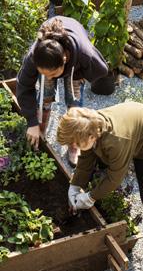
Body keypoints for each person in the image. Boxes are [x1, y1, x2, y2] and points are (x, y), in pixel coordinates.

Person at [57, 102, 143, 271]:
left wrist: (91, 197)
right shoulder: (90, 129)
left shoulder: (116, 141)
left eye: (76, 142)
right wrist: (75, 185)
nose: (74, 146)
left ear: (91, 136)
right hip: (132, 131)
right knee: (97, 161)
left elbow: (114, 178)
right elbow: (86, 160)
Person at [16, 16, 108, 165]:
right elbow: (24, 86)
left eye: (52, 74)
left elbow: (102, 69)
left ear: (64, 59)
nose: (48, 77)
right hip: (53, 57)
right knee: (46, 96)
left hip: (75, 66)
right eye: (43, 73)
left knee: (74, 103)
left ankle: (74, 144)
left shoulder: (84, 54)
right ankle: (40, 129)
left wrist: (79, 74)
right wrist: (31, 122)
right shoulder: (34, 56)